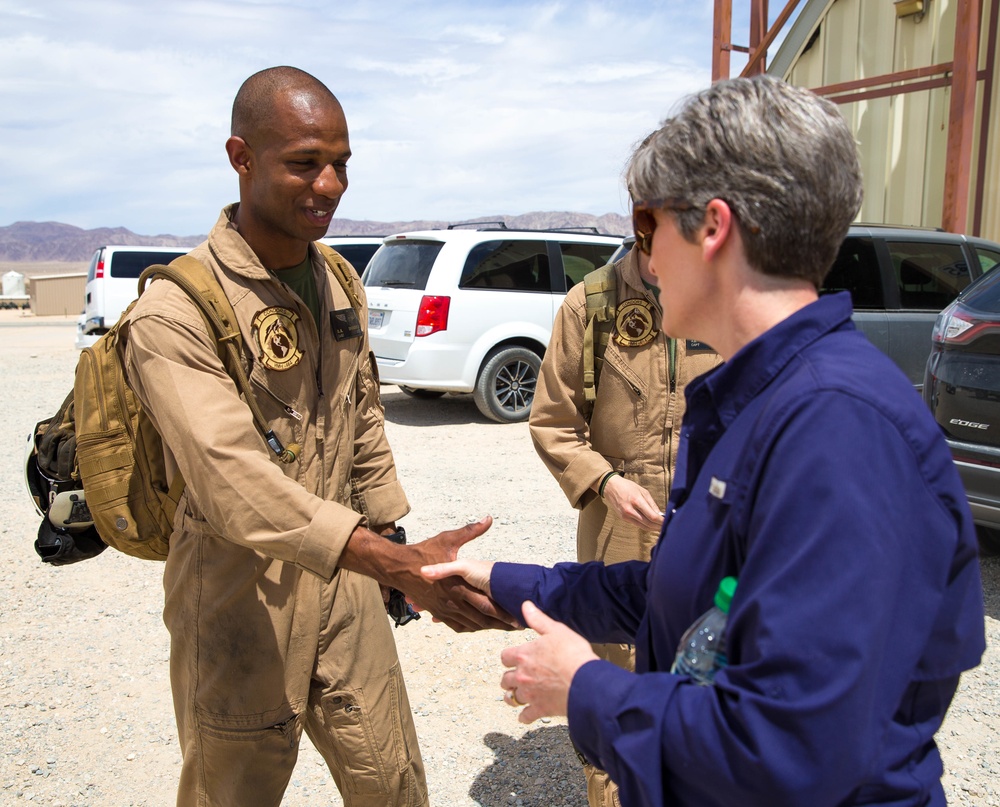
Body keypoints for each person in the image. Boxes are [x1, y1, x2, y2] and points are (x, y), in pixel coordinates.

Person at [424, 75, 986, 806]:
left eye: (653, 226)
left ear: (712, 228)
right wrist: (503, 582)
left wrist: (585, 687)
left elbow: (787, 747)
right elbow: (683, 599)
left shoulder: (837, 429)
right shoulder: (761, 400)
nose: (646, 256)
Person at [119, 66, 510, 807]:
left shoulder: (338, 279)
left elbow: (358, 413)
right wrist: (388, 560)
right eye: (305, 162)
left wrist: (391, 535)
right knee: (230, 792)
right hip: (240, 598)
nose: (329, 184)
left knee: (392, 782)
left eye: (341, 164)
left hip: (350, 585)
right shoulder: (175, 311)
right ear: (241, 158)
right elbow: (233, 483)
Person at [529, 233, 719, 805]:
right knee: (616, 673)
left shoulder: (722, 297)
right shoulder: (591, 305)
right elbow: (553, 423)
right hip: (617, 530)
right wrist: (606, 483)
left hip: (707, 526)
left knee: (702, 670)